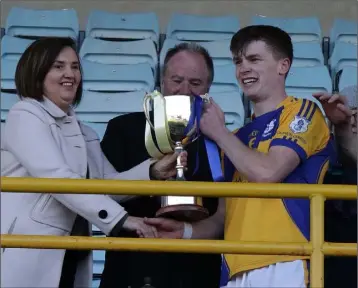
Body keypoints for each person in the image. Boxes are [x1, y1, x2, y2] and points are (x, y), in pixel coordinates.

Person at [146, 25, 336, 287]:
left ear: (283, 66)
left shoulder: (303, 111)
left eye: (254, 59)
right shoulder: (237, 137)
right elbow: (224, 216)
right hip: (233, 269)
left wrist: (220, 133)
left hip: (285, 261)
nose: (243, 68)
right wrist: (185, 232)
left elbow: (268, 173)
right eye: (238, 61)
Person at [0, 37, 185, 288]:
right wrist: (122, 220)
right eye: (59, 66)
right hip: (29, 253)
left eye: (75, 66)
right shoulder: (25, 115)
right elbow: (56, 178)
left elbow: (106, 187)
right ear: (36, 72)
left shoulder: (83, 130)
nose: (70, 74)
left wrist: (151, 171)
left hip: (69, 253)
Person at [99, 42, 223, 288]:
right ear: (161, 82)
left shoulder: (220, 139)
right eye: (177, 80)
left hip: (197, 272)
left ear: (208, 89)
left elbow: (225, 214)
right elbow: (99, 195)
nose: (184, 90)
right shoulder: (122, 129)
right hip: (130, 267)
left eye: (195, 83)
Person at [314, 87, 357, 288]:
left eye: (356, 115)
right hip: (325, 261)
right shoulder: (319, 148)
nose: (353, 122)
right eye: (350, 114)